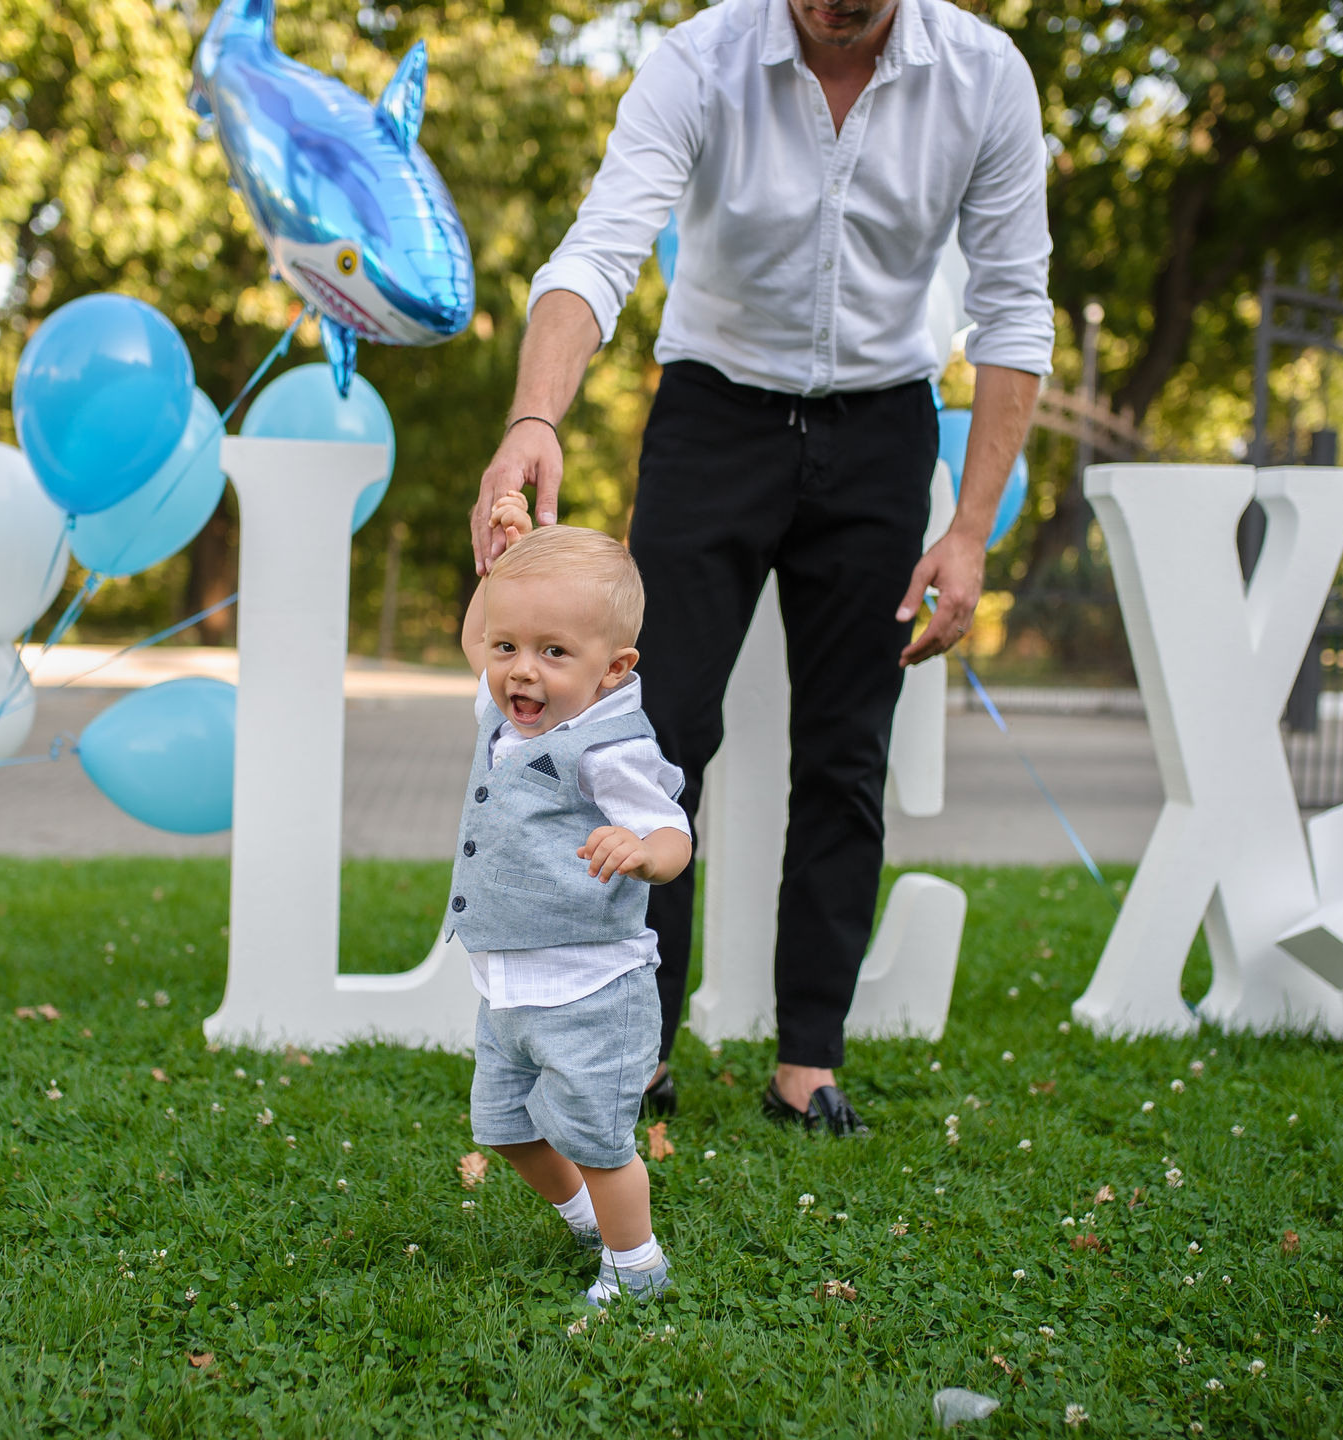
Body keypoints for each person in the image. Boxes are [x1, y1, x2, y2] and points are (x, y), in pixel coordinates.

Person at [470, 0, 1053, 1135]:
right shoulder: (700, 59)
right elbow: (600, 249)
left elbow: (1012, 308)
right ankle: (633, 1047)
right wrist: (534, 416)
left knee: (845, 752)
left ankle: (807, 1061)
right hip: (713, 421)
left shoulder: (985, 76)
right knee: (653, 735)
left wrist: (970, 529)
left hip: (884, 430)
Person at [451, 494, 693, 1305]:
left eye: (553, 651)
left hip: (593, 990)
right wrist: (502, 566)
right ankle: (589, 1216)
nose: (522, 669)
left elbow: (673, 833)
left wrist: (643, 852)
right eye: (508, 645)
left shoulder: (611, 744)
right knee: (505, 1129)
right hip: (509, 991)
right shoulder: (509, 713)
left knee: (597, 1138)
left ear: (613, 668)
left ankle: (636, 1267)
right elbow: (472, 636)